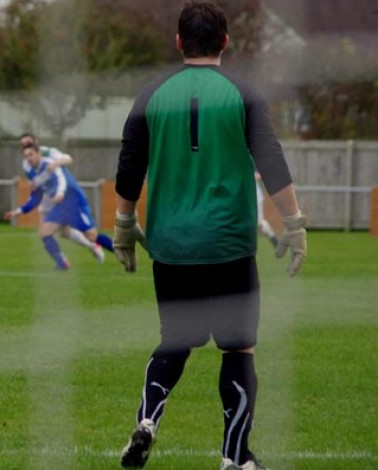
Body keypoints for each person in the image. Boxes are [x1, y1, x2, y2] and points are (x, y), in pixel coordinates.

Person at [113, 2, 308, 469]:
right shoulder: (243, 94)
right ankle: (234, 457)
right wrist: (295, 225)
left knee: (175, 340)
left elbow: (129, 166)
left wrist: (123, 226)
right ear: (225, 42)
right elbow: (272, 162)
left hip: (172, 246)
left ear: (179, 42)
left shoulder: (151, 95)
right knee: (238, 348)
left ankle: (147, 421)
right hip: (229, 246)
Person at [5, 142, 114, 270]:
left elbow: (61, 179)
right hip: (60, 207)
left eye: (31, 155)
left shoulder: (49, 163)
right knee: (44, 232)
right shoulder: (33, 172)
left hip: (74, 201)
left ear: (38, 153)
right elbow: (36, 196)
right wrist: (19, 211)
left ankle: (122, 250)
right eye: (26, 156)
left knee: (91, 235)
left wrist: (60, 193)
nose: (29, 158)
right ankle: (62, 264)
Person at [255, 171, 279, 247]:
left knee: (259, 224)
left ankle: (273, 239)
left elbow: (261, 175)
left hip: (256, 198)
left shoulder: (251, 162)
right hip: (242, 198)